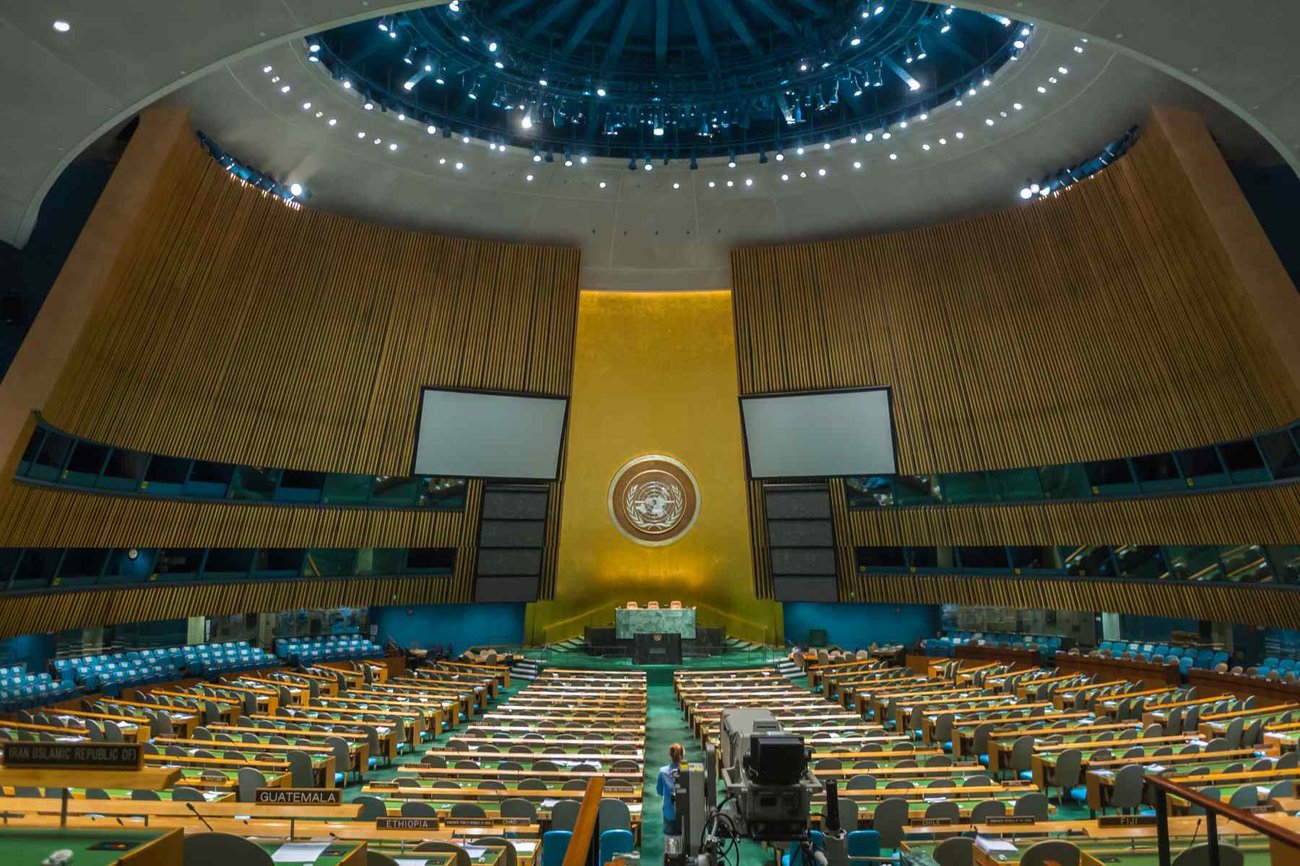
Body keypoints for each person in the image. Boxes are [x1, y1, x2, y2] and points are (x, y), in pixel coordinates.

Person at [657, 742, 686, 836]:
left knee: (670, 841)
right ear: (682, 755)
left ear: (670, 755)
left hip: (669, 812)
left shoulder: (662, 772)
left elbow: (660, 791)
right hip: (685, 813)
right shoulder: (688, 771)